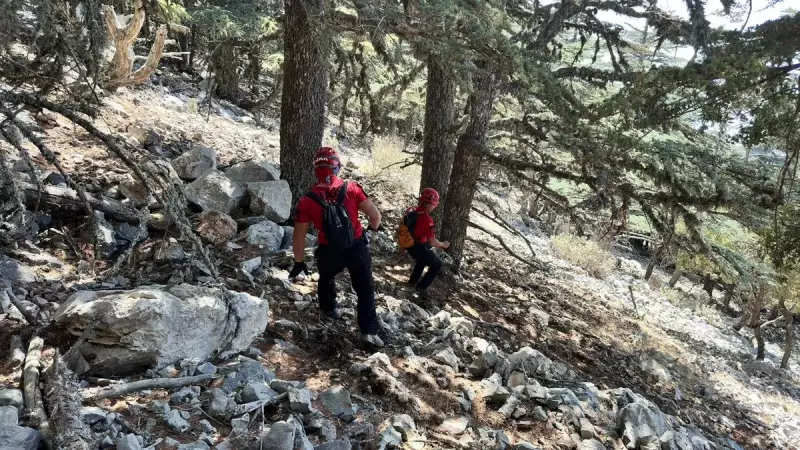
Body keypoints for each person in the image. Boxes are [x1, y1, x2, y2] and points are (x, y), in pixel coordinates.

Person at [289, 147, 384, 347]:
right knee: (365, 289)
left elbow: (299, 236)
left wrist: (298, 262)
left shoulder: (307, 200)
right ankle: (368, 332)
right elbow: (375, 217)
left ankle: (329, 309)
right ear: (337, 167)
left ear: (316, 170)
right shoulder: (352, 188)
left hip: (328, 249)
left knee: (326, 277)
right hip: (356, 246)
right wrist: (371, 231)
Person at [405, 188, 450, 296]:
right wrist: (443, 245)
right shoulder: (426, 219)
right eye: (435, 204)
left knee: (424, 258)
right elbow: (432, 242)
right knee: (438, 264)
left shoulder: (412, 210)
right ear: (429, 204)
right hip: (417, 246)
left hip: (409, 244)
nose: (435, 207)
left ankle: (412, 282)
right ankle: (421, 288)